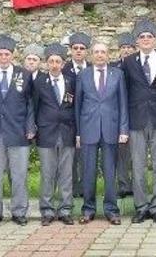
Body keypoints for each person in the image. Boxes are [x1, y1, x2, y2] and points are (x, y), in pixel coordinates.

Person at [124, 19, 156, 224]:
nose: (146, 39)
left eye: (149, 36)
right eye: (142, 37)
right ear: (137, 41)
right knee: (137, 166)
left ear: (155, 40)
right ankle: (141, 206)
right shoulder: (128, 62)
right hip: (136, 120)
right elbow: (125, 92)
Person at [0, 35, 35, 226]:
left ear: (12, 55)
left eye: (7, 54)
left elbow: (30, 104)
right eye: (0, 54)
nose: (3, 57)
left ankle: (19, 212)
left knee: (19, 175)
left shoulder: (25, 74)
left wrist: (30, 127)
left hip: (18, 132)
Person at [76, 42, 129, 224]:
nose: (100, 55)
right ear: (91, 55)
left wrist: (123, 129)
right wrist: (78, 132)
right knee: (88, 171)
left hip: (111, 129)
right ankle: (88, 209)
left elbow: (123, 104)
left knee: (109, 172)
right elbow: (78, 106)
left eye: (103, 52)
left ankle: (111, 210)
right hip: (88, 129)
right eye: (96, 52)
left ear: (108, 55)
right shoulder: (83, 75)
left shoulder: (118, 75)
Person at [33, 43, 77, 225]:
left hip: (67, 132)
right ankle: (48, 210)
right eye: (51, 61)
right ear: (46, 63)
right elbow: (33, 108)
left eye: (58, 61)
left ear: (63, 63)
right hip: (47, 133)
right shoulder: (39, 83)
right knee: (48, 173)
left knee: (66, 173)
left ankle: (66, 209)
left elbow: (76, 107)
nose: (54, 65)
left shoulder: (71, 82)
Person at [64, 31, 91, 198]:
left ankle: (87, 189)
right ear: (71, 51)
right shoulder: (63, 69)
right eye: (76, 48)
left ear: (86, 51)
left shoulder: (94, 69)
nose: (79, 51)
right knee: (71, 158)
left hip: (89, 119)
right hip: (68, 119)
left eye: (82, 48)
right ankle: (73, 190)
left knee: (86, 157)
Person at [111, 32, 135, 198]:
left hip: (135, 113)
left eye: (129, 47)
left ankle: (135, 185)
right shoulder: (113, 68)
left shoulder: (138, 66)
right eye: (123, 47)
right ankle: (123, 185)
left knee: (136, 153)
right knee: (121, 152)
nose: (126, 50)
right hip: (118, 114)